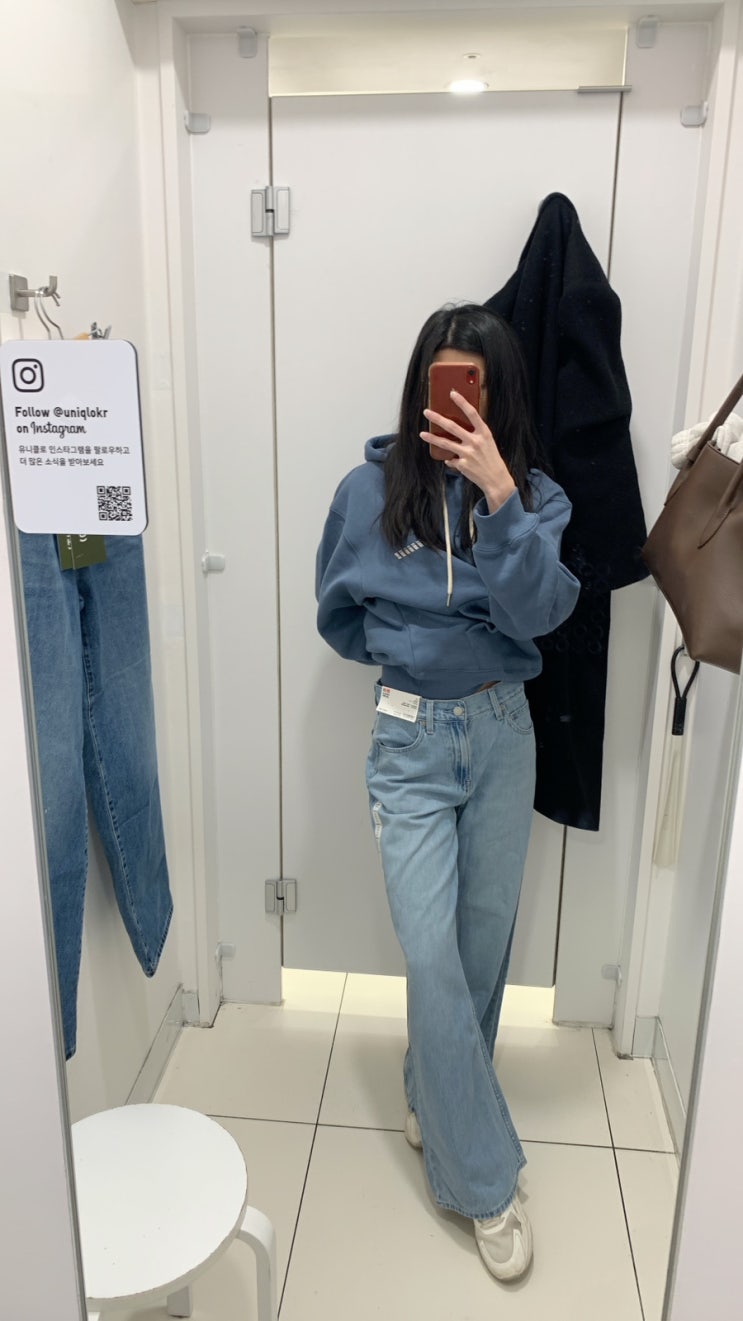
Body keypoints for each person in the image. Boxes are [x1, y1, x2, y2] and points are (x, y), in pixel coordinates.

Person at [315, 303, 580, 1282]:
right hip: (409, 738)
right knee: (430, 957)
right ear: (420, 386)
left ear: (497, 399)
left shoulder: (534, 499)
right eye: (443, 383)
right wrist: (415, 662)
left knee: (476, 953)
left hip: (504, 732)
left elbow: (542, 612)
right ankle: (482, 1184)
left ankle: (432, 1092)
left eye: (474, 388)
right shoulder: (364, 492)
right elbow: (337, 614)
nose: (456, 405)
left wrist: (500, 498)